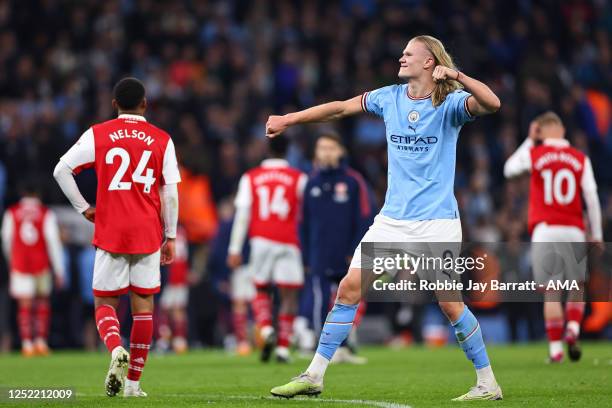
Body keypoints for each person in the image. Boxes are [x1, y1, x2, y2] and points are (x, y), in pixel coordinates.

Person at [267, 35, 502, 401]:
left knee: (450, 303)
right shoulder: (388, 97)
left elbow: (493, 102)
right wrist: (290, 119)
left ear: (429, 62)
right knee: (348, 289)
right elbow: (341, 108)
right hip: (392, 219)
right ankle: (314, 375)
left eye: (409, 54)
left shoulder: (451, 105)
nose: (401, 57)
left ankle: (488, 383)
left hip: (436, 221)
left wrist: (456, 74)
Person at [53, 77, 181, 397]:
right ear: (145, 104)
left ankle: (114, 349)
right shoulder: (162, 139)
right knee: (144, 307)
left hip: (111, 231)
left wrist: (84, 208)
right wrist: (171, 235)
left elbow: (61, 170)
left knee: (105, 303)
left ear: (114, 105)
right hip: (147, 233)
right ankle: (134, 385)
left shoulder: (99, 134)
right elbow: (171, 193)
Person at [504, 111, 602, 362]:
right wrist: (598, 234)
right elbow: (591, 196)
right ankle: (573, 329)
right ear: (562, 132)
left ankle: (556, 351)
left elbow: (509, 169)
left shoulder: (536, 154)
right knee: (577, 286)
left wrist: (528, 140)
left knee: (552, 291)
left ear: (542, 132)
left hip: (545, 229)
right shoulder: (580, 158)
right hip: (572, 228)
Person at [227, 136, 307, 363]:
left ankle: (264, 328)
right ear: (287, 152)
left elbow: (242, 215)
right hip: (289, 240)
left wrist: (234, 248)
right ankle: (282, 348)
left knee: (261, 287)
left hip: (261, 240)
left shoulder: (251, 177)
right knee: (289, 293)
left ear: (267, 150)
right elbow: (306, 215)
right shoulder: (298, 178)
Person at [296, 131, 372, 363]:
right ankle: (323, 350)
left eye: (331, 148)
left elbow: (364, 218)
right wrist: (306, 255)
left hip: (348, 255)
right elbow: (302, 222)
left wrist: (356, 250)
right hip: (319, 254)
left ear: (341, 151)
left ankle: (346, 346)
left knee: (348, 300)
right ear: (316, 153)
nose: (326, 153)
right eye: (322, 148)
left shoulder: (353, 181)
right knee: (320, 300)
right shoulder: (309, 183)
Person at [1, 181, 65, 356]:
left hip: (20, 264)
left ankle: (26, 343)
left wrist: (11, 261)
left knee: (25, 304)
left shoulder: (11, 212)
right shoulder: (45, 213)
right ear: (38, 195)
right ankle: (41, 342)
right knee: (42, 302)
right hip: (41, 264)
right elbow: (53, 242)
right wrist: (59, 270)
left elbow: (6, 240)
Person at [157, 225, 190, 354]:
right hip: (179, 276)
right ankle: (179, 340)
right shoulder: (182, 231)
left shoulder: (164, 231)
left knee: (165, 309)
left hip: (170, 276)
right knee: (177, 309)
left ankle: (165, 341)